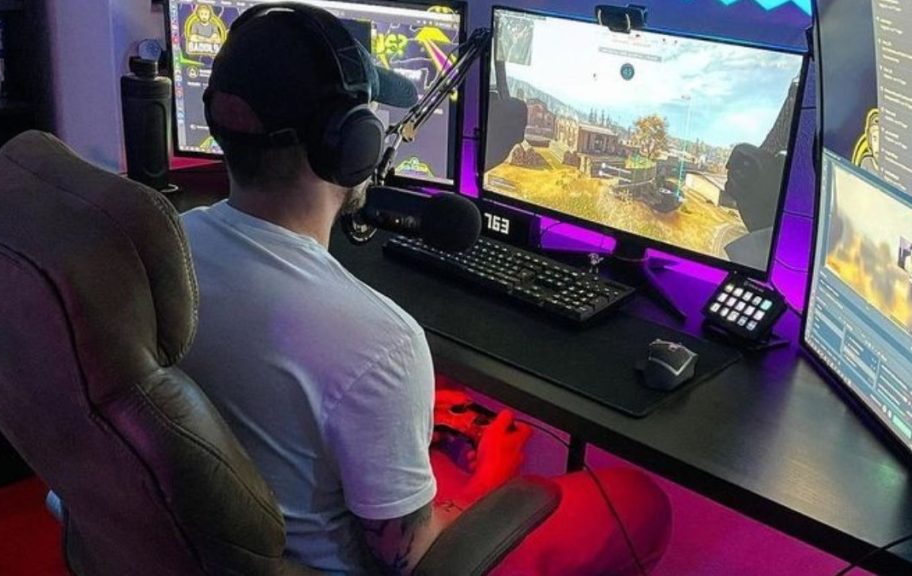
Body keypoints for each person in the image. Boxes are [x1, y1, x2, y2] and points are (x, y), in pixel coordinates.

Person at [180, 5, 671, 575]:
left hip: (204, 547)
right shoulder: (380, 342)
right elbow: (409, 559)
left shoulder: (160, 252)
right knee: (639, 500)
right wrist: (490, 478)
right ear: (351, 146)